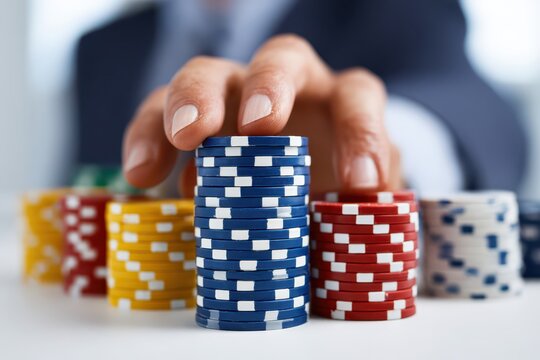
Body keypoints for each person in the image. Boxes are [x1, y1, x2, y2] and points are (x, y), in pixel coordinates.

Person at [76, 0, 527, 196]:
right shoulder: (101, 46)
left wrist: (385, 145)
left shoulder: (398, 11)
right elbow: (82, 188)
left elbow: (482, 111)